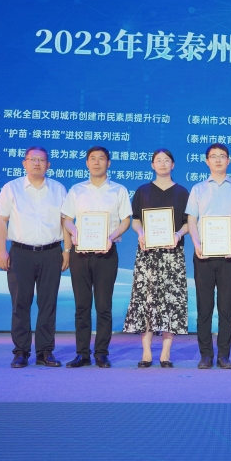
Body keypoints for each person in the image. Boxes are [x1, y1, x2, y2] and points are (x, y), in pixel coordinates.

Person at [0, 146, 69, 368]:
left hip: (51, 252)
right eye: (32, 159)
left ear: (48, 165)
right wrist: (1, 250)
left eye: (41, 160)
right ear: (24, 163)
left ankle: (45, 351)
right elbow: (1, 220)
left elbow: (66, 221)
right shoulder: (11, 188)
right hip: (20, 253)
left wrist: (67, 250)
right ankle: (21, 352)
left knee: (48, 303)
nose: (37, 163)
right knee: (20, 303)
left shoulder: (58, 189)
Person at [61, 146, 132, 368]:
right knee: (82, 306)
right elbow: (67, 219)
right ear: (87, 163)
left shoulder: (119, 190)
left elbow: (126, 220)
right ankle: (82, 353)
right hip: (80, 254)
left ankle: (101, 352)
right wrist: (75, 233)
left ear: (108, 163)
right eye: (92, 158)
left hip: (106, 253)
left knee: (104, 305)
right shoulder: (76, 190)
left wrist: (111, 237)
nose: (97, 162)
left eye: (101, 158)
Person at [123, 149, 190, 368]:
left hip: (172, 254)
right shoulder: (142, 191)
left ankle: (166, 352)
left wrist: (178, 234)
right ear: (152, 165)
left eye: (166, 160)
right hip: (147, 254)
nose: (162, 164)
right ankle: (146, 352)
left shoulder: (182, 192)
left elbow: (189, 222)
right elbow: (135, 220)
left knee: (171, 300)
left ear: (173, 165)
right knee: (147, 300)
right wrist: (141, 233)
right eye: (158, 161)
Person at [186, 143, 231, 369]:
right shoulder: (198, 189)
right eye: (213, 156)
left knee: (226, 307)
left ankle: (224, 354)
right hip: (203, 254)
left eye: (222, 156)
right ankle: (205, 354)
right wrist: (196, 243)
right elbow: (191, 219)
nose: (218, 160)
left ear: (228, 160)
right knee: (204, 307)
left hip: (228, 254)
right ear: (207, 161)